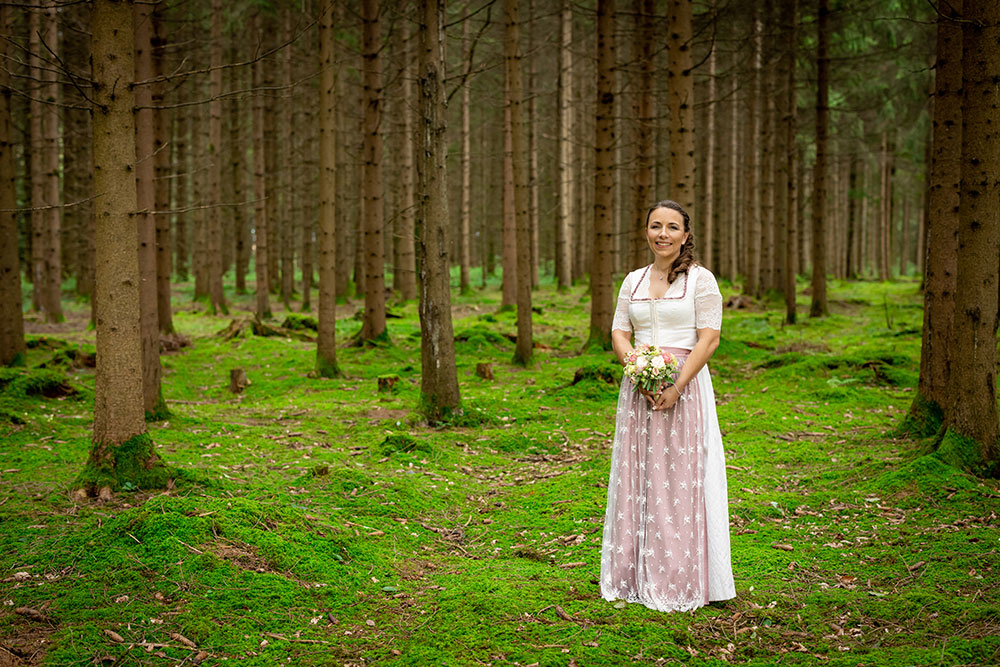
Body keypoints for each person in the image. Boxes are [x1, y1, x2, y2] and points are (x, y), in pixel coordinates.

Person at [600, 199, 736, 612]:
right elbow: (619, 333)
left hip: (685, 385)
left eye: (672, 227)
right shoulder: (633, 281)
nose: (663, 234)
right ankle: (631, 574)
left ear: (686, 235)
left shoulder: (701, 280)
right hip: (638, 388)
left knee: (679, 476)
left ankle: (680, 574)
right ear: (646, 232)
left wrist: (675, 385)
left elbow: (709, 338)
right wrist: (638, 371)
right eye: (655, 226)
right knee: (638, 473)